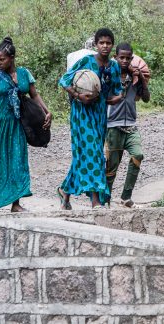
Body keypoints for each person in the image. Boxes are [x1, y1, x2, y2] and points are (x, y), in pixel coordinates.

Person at [0, 37, 52, 213]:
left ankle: (15, 204)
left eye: (2, 60)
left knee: (17, 162)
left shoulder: (24, 74)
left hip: (16, 126)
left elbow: (34, 95)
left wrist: (47, 111)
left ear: (12, 58)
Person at [57, 28, 123, 209]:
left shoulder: (114, 66)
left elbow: (116, 91)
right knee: (94, 153)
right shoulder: (86, 61)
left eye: (108, 43)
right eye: (101, 43)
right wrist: (78, 96)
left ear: (112, 45)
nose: (105, 46)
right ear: (96, 45)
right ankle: (95, 200)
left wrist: (116, 98)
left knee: (84, 154)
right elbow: (64, 80)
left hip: (100, 115)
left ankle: (65, 191)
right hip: (82, 114)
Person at [105, 43, 150, 208]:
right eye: (121, 57)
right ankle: (105, 200)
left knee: (138, 155)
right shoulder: (109, 77)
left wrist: (142, 79)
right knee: (111, 168)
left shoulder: (135, 78)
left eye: (127, 58)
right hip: (112, 126)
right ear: (115, 58)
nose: (124, 61)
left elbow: (145, 98)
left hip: (131, 125)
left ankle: (126, 196)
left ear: (132, 58)